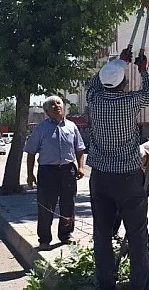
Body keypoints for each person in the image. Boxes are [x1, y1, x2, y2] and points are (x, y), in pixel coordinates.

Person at [86, 49, 149, 290]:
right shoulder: (129, 101)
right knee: (137, 236)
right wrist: (142, 69)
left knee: (102, 234)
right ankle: (140, 286)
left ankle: (105, 284)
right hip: (127, 177)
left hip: (100, 177)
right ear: (124, 83)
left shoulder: (93, 99)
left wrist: (117, 63)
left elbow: (94, 83)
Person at [24, 95, 86, 251]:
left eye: (59, 103)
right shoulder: (41, 128)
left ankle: (66, 235)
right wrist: (30, 174)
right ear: (46, 111)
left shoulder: (72, 127)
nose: (57, 106)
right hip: (47, 172)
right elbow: (31, 152)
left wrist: (81, 167)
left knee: (68, 205)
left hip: (67, 171)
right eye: (52, 105)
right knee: (46, 206)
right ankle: (44, 239)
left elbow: (80, 149)